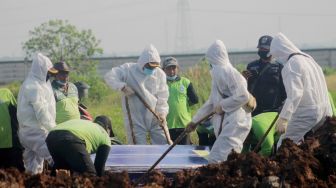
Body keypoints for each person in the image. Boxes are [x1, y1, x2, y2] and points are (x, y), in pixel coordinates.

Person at [186, 40, 254, 163]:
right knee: (223, 159)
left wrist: (222, 106)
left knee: (219, 159)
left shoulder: (228, 72)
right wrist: (194, 121)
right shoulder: (217, 74)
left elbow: (243, 96)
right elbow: (211, 102)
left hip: (237, 121)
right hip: (229, 121)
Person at [270, 33, 332, 147]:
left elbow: (295, 94)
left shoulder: (291, 64)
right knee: (318, 144)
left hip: (306, 112)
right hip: (324, 109)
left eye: (276, 55)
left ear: (280, 51)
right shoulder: (308, 59)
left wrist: (284, 117)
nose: (276, 59)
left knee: (285, 145)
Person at [104, 44, 172, 145]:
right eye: (149, 66)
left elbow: (163, 95)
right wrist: (122, 86)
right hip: (135, 116)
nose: (152, 69)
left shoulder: (160, 74)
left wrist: (162, 113)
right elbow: (110, 76)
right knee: (137, 149)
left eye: (154, 67)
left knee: (163, 144)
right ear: (143, 63)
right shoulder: (128, 70)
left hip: (155, 116)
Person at [17, 53, 58, 174]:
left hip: (32, 130)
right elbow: (42, 112)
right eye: (48, 73)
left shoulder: (36, 84)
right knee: (55, 155)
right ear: (41, 71)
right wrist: (55, 129)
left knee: (33, 167)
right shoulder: (33, 87)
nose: (49, 76)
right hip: (35, 131)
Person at [46, 116, 111, 176]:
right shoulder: (105, 135)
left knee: (62, 169)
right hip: (70, 138)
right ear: (107, 128)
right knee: (89, 173)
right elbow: (99, 167)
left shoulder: (86, 124)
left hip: (52, 136)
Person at [242, 35, 286, 116]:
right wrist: (243, 79)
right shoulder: (251, 66)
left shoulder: (280, 67)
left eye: (265, 48)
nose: (262, 50)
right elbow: (245, 89)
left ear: (271, 49)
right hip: (255, 111)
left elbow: (285, 92)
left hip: (274, 111)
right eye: (260, 48)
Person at [162, 57, 199, 144]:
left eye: (173, 68)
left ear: (177, 68)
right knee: (169, 153)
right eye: (168, 68)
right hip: (167, 125)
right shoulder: (161, 83)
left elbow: (195, 99)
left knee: (184, 152)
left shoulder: (185, 82)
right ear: (163, 70)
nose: (171, 71)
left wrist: (183, 105)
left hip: (183, 125)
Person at [0, 88, 24, 171]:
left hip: (11, 144)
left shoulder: (6, 93)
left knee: (17, 174)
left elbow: (16, 114)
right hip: (9, 143)